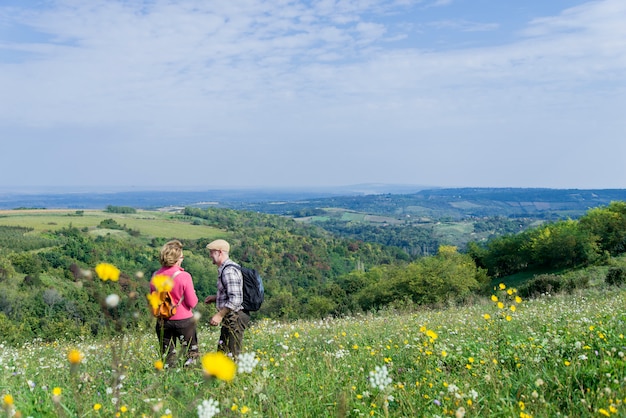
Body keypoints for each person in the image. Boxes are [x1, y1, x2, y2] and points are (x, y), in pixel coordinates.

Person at [150, 239, 199, 368]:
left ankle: (167, 383)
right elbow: (192, 302)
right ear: (177, 259)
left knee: (167, 356)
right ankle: (189, 380)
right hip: (184, 321)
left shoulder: (155, 276)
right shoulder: (184, 276)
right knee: (191, 353)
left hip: (162, 320)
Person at [204, 239, 250, 358]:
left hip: (235, 317)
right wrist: (216, 298)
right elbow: (231, 293)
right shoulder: (227, 268)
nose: (210, 256)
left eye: (212, 252)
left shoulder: (228, 271)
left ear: (220, 252)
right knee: (223, 352)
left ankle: (233, 376)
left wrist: (219, 315)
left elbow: (235, 299)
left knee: (231, 354)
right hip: (231, 316)